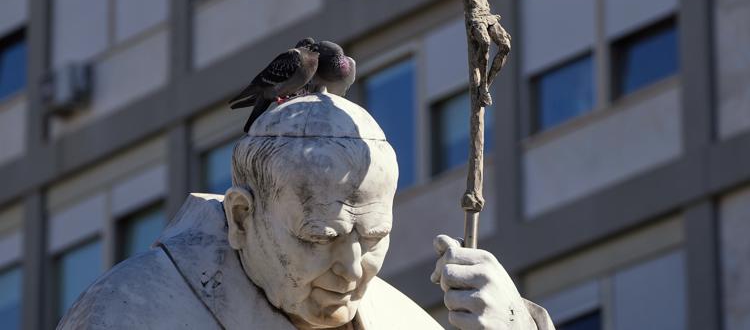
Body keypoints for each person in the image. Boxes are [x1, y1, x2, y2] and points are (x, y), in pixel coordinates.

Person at [58, 94, 553, 329]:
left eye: (375, 237)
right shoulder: (130, 314)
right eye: (320, 238)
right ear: (241, 218)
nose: (354, 271)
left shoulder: (404, 323)